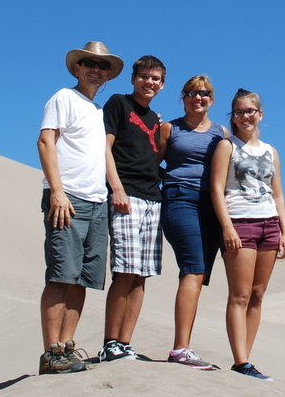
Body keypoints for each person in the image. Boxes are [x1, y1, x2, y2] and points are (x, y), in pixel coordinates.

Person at [37, 41, 124, 374]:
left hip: (96, 201)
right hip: (68, 198)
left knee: (82, 278)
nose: (96, 70)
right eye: (90, 63)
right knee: (61, 275)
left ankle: (68, 346)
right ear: (77, 68)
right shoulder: (64, 97)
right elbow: (46, 141)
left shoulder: (96, 110)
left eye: (102, 66)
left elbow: (102, 155)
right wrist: (57, 191)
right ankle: (51, 352)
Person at [211, 88, 285, 381]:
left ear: (260, 114)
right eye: (239, 111)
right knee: (240, 294)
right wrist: (227, 227)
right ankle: (240, 361)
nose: (245, 116)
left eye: (250, 111)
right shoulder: (226, 147)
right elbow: (217, 190)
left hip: (269, 223)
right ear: (232, 116)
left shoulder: (271, 151)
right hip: (240, 223)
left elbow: (278, 193)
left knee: (257, 294)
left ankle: (246, 358)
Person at [157, 75, 229, 370]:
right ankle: (180, 349)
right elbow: (152, 163)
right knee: (193, 269)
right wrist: (171, 184)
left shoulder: (220, 132)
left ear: (211, 99)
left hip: (211, 206)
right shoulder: (169, 128)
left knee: (198, 276)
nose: (197, 98)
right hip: (180, 200)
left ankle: (183, 345)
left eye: (203, 93)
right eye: (190, 93)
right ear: (183, 98)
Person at [98, 55, 166, 362]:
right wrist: (117, 188)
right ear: (133, 78)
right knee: (125, 270)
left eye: (156, 79)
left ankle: (126, 343)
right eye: (144, 77)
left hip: (153, 198)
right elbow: (105, 148)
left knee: (141, 275)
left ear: (162, 84)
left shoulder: (156, 121)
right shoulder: (118, 103)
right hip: (127, 196)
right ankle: (110, 342)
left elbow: (152, 159)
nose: (149, 82)